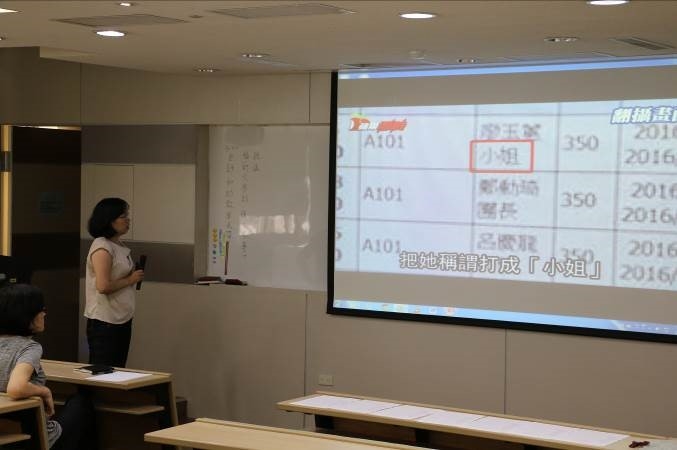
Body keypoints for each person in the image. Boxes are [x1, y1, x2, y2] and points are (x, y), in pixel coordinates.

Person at [0, 283, 95, 450]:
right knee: (81, 402)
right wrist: (44, 391)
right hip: (41, 440)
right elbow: (16, 388)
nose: (44, 314)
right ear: (27, 316)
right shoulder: (29, 348)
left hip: (8, 438)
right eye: (41, 309)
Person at [85, 197, 144, 368]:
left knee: (118, 369)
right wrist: (130, 279)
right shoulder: (102, 246)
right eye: (123, 216)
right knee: (104, 371)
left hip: (122, 317)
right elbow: (103, 286)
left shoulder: (118, 244)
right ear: (109, 220)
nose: (128, 220)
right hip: (105, 321)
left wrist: (133, 276)